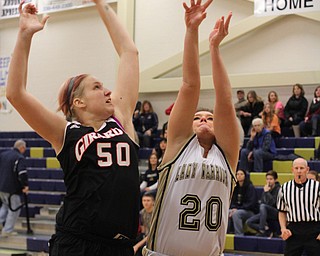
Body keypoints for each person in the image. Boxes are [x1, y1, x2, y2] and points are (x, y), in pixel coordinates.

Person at [6, 1, 140, 255]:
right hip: (77, 242)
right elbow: (16, 94)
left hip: (119, 246)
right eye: (98, 87)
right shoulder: (65, 132)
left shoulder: (121, 118)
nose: (109, 91)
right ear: (78, 102)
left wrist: (101, 3)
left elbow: (129, 53)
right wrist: (24, 35)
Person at [144, 1, 239, 255]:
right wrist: (192, 30)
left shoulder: (228, 155)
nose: (205, 119)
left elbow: (225, 98)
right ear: (189, 125)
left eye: (210, 117)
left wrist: (215, 47)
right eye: (198, 117)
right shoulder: (177, 145)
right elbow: (189, 85)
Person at [277, 158, 320, 256]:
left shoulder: (317, 187)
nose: (299, 171)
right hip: (294, 230)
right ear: (292, 170)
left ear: (307, 169)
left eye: (302, 168)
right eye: (296, 168)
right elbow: (282, 211)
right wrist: (283, 228)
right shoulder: (284, 188)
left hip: (314, 229)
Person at [0, 140, 29, 237]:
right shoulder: (19, 157)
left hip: (1, 187)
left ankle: (2, 225)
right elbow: (22, 174)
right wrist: (25, 185)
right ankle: (7, 230)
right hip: (12, 189)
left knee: (5, 207)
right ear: (22, 148)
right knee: (14, 209)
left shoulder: (3, 155)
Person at [246, 170, 281, 237]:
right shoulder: (266, 189)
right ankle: (267, 231)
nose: (269, 181)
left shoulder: (279, 189)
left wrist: (267, 193)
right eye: (267, 179)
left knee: (263, 206)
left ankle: (262, 230)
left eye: (271, 179)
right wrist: (266, 192)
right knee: (249, 222)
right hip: (266, 212)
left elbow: (274, 203)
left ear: (275, 180)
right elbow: (262, 202)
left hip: (276, 212)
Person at [227, 169, 258, 236]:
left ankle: (239, 234)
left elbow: (251, 204)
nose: (239, 176)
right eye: (237, 174)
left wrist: (237, 209)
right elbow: (231, 201)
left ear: (245, 176)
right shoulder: (235, 187)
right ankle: (227, 233)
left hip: (250, 211)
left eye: (241, 174)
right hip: (238, 209)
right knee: (227, 212)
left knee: (236, 214)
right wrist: (233, 208)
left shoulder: (250, 187)